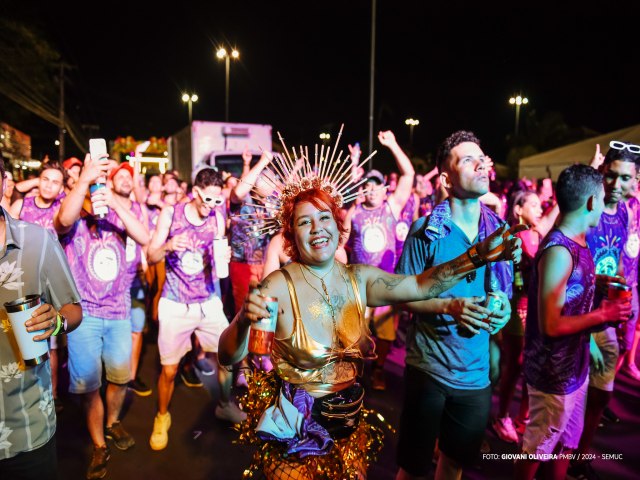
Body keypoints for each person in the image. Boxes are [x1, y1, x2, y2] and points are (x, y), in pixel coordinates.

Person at [218, 133, 522, 479]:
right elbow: (228, 357)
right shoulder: (278, 285)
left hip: (347, 428)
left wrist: (478, 255)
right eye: (304, 222)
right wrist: (243, 320)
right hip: (294, 431)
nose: (317, 229)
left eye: (325, 219)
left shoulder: (358, 278)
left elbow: (421, 286)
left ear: (339, 225)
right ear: (291, 234)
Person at [394, 130, 517, 480]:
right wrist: (450, 307)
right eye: (467, 159)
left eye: (481, 157)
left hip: (475, 375)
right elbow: (404, 296)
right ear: (445, 178)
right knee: (413, 468)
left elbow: (502, 292)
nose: (480, 163)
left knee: (453, 464)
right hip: (429, 370)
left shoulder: (500, 232)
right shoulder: (425, 230)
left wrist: (503, 310)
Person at [514, 164, 631, 480]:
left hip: (574, 369)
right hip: (554, 376)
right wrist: (604, 315)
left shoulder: (577, 242)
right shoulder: (560, 251)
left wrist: (599, 282)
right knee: (535, 450)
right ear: (591, 202)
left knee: (566, 442)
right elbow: (551, 325)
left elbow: (572, 289)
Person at [55, 154, 150, 480]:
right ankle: (99, 444)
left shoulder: (122, 214)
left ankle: (112, 422)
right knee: (89, 385)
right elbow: (62, 220)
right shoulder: (78, 216)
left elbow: (145, 237)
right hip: (85, 314)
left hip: (120, 312)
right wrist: (84, 180)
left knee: (120, 379)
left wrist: (115, 201)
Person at [146, 167, 245, 452]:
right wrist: (167, 245)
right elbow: (151, 255)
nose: (213, 206)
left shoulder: (218, 217)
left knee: (226, 355)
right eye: (208, 200)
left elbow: (219, 260)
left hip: (207, 299)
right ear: (196, 192)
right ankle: (162, 415)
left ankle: (225, 405)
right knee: (169, 369)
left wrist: (224, 257)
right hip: (175, 301)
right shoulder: (171, 214)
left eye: (218, 201)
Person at [0, 159, 82, 480]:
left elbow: (73, 309)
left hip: (27, 427)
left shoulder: (38, 241)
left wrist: (57, 322)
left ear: (4, 183)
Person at [568, 141, 640, 480]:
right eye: (610, 176)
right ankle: (559, 460)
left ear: (635, 180)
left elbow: (622, 260)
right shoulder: (587, 209)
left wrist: (626, 298)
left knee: (601, 394)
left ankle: (580, 453)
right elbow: (566, 268)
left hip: (605, 313)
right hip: (575, 314)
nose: (616, 185)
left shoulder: (626, 211)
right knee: (570, 400)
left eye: (625, 178)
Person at [344, 130, 415, 390]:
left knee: (385, 332)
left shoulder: (392, 207)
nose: (371, 189)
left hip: (386, 282)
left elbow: (408, 175)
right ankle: (359, 369)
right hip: (358, 283)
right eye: (368, 185)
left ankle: (380, 370)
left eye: (377, 184)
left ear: (385, 189)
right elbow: (341, 242)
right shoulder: (355, 212)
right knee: (357, 329)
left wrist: (393, 145)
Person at [492, 188, 559, 443]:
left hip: (535, 306)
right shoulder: (513, 235)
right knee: (516, 363)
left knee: (534, 363)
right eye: (533, 204)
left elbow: (553, 214)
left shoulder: (536, 233)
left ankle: (523, 418)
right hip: (515, 305)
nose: (540, 208)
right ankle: (501, 417)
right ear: (518, 209)